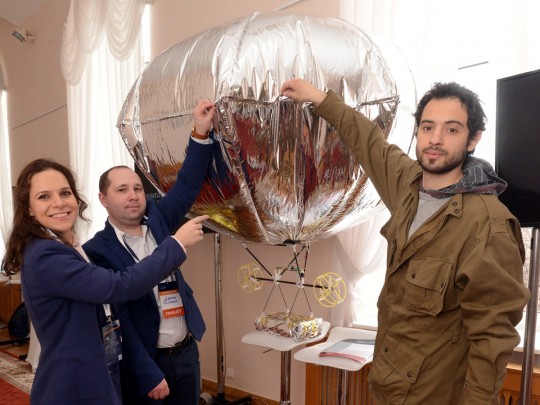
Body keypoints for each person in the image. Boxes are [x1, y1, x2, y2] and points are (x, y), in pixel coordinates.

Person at [280, 79, 530, 404]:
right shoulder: (408, 185)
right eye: (428, 127)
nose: (435, 139)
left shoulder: (487, 225)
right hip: (386, 386)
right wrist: (319, 98)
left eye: (451, 129)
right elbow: (368, 141)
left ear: (474, 139)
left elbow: (492, 339)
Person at [1, 158, 208, 405]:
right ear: (28, 208)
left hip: (108, 373)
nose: (59, 203)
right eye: (44, 196)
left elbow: (185, 187)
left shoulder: (69, 247)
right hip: (75, 385)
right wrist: (176, 244)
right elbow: (117, 287)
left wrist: (201, 139)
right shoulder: (48, 254)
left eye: (65, 193)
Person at [83, 99, 216, 404]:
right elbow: (120, 321)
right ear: (103, 199)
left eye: (137, 189)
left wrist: (200, 131)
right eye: (122, 190)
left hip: (186, 352)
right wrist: (147, 373)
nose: (133, 196)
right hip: (148, 362)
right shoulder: (97, 251)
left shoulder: (158, 219)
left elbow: (186, 184)